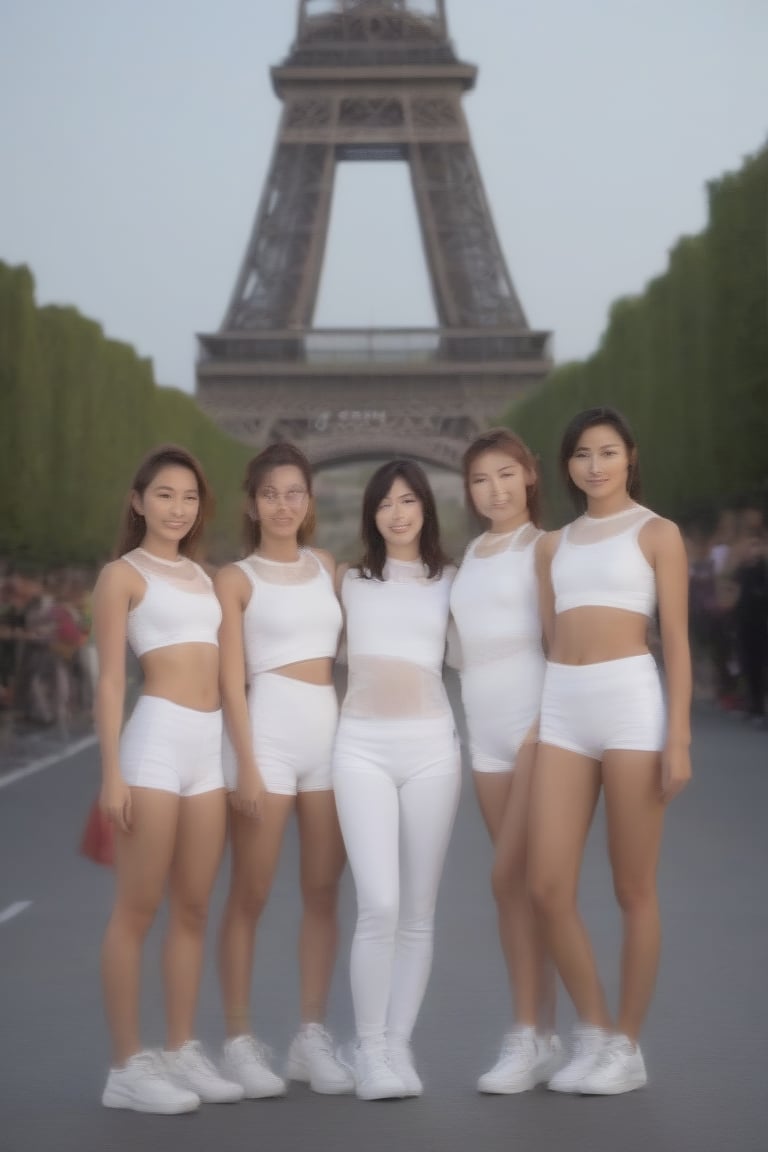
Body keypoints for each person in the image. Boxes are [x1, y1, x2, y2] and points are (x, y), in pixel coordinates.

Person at [528, 406, 692, 1095]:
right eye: (581, 455)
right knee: (547, 884)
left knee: (633, 887)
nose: (594, 465)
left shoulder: (659, 533)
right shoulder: (551, 546)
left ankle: (627, 1044)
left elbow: (677, 641)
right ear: (567, 466)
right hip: (565, 702)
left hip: (629, 701)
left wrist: (677, 734)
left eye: (607, 452)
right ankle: (594, 1027)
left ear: (630, 456)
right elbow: (548, 637)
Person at [94, 445, 242, 1113]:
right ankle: (126, 1066)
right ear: (138, 501)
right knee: (138, 909)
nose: (177, 509)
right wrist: (112, 774)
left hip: (207, 752)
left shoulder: (208, 578)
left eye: (188, 497)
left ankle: (181, 1049)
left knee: (193, 908)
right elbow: (108, 681)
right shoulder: (120, 576)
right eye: (164, 496)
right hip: (154, 743)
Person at [216, 443, 353, 1097]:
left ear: (310, 502)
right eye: (270, 493)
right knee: (252, 892)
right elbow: (229, 680)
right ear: (252, 503)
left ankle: (310, 1036)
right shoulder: (235, 578)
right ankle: (240, 1041)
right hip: (266, 738)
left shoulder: (327, 567)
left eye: (294, 492)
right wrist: (244, 762)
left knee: (324, 893)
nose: (282, 504)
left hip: (328, 736)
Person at [332, 459, 461, 1100]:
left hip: (434, 750)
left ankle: (396, 1045)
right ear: (371, 514)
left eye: (409, 500)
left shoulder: (451, 583)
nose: (398, 512)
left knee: (417, 913)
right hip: (359, 748)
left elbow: (492, 652)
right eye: (385, 502)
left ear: (425, 509)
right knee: (378, 904)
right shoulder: (346, 581)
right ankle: (369, 1047)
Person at [449, 429, 561, 1094]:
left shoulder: (543, 549)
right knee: (519, 890)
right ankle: (542, 1034)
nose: (494, 489)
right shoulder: (472, 552)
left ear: (529, 476)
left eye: (505, 475)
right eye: (480, 479)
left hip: (533, 731)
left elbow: (561, 643)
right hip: (483, 735)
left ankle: (529, 1032)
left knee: (509, 879)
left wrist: (545, 725)